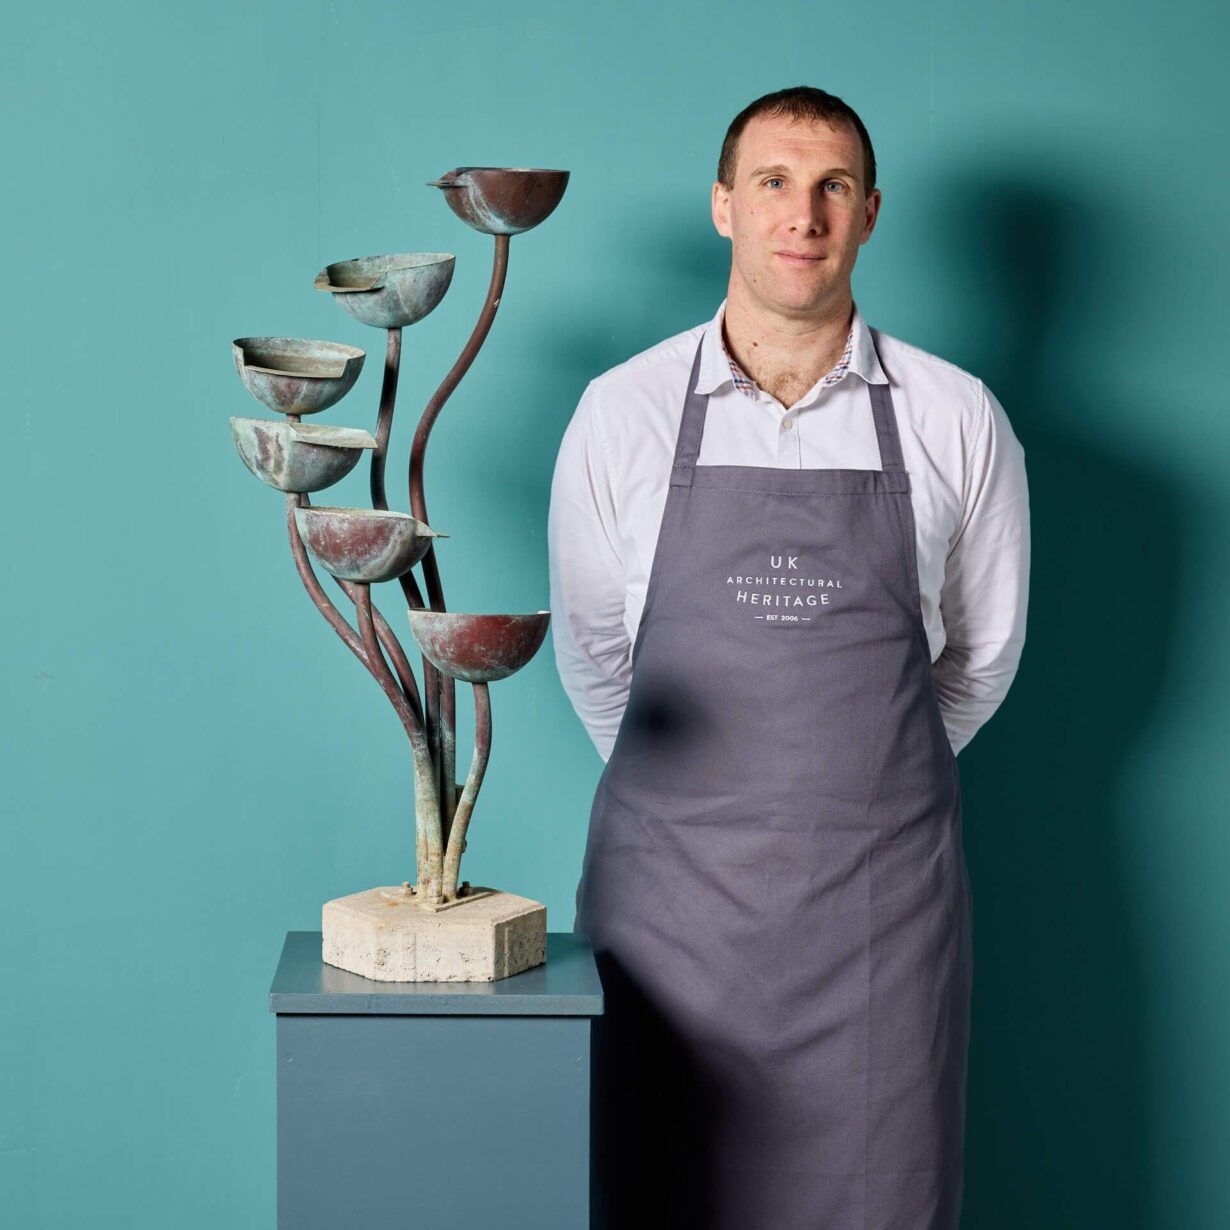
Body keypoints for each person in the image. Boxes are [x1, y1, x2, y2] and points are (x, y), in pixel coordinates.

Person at [548, 85, 1030, 1230]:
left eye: (831, 188)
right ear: (724, 206)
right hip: (669, 928)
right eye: (772, 183)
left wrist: (859, 779)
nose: (801, 215)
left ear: (870, 213)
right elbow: (595, 657)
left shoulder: (957, 417)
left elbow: (982, 658)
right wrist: (714, 807)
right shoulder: (621, 413)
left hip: (880, 930)